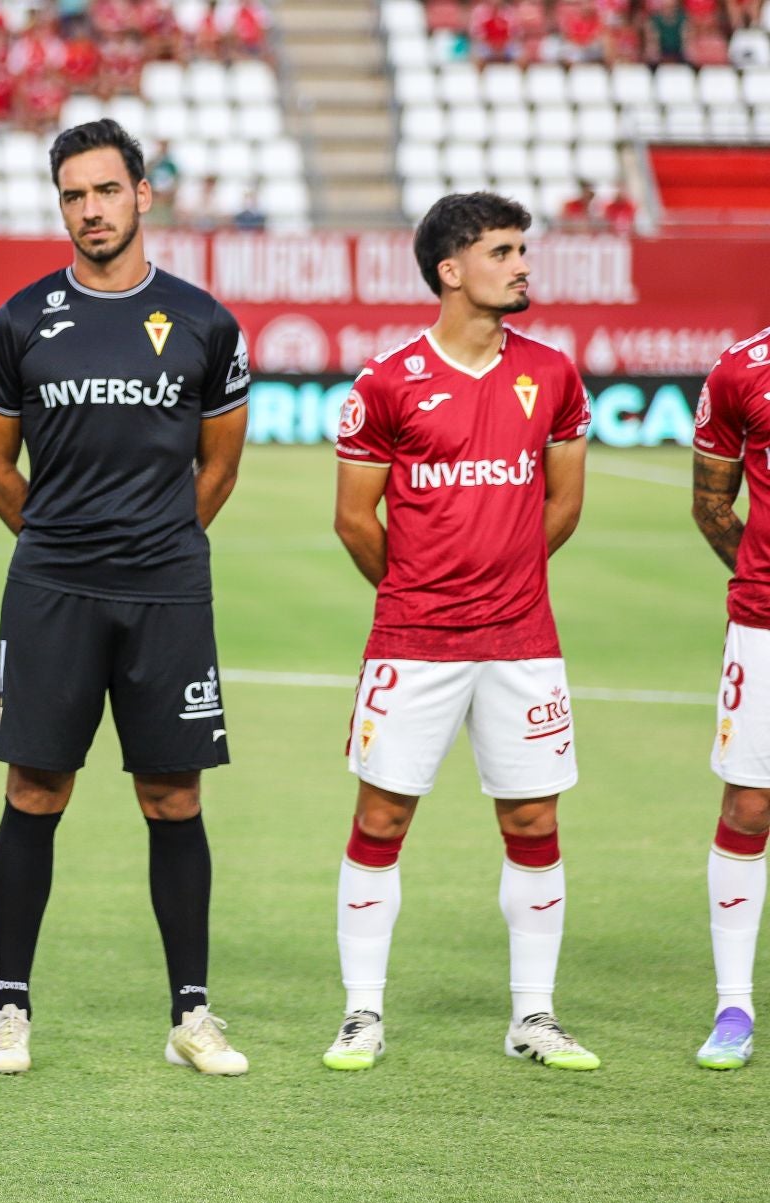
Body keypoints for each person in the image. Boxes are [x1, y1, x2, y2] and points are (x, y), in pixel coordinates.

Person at [0, 119, 251, 1078]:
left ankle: (192, 1015)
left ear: (142, 194)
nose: (91, 210)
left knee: (173, 796)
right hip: (53, 589)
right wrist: (62, 543)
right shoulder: (19, 322)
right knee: (34, 790)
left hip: (168, 592)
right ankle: (10, 1009)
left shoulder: (204, 322)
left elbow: (220, 466)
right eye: (73, 196)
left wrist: (155, 543)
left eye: (105, 191)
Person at [325, 192, 596, 1073]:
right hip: (414, 641)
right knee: (381, 815)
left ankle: (534, 1016)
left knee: (533, 817)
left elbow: (562, 506)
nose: (522, 265)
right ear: (451, 269)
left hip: (523, 640)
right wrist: (419, 591)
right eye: (502, 251)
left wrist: (504, 581)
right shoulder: (386, 382)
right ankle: (362, 1013)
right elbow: (355, 520)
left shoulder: (553, 374)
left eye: (522, 250)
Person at [686, 323, 770, 1068]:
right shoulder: (742, 370)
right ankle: (734, 1005)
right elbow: (711, 505)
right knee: (748, 804)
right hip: (764, 623)